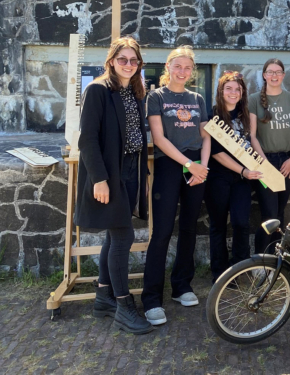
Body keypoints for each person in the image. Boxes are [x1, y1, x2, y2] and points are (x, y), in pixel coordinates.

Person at [75, 37, 153, 334]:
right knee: (123, 237)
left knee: (113, 234)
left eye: (134, 60)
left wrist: (143, 176)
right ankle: (123, 306)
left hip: (131, 170)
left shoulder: (135, 91)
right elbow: (87, 139)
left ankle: (103, 297)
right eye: (123, 59)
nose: (129, 65)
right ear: (111, 61)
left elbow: (135, 136)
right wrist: (100, 179)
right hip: (110, 173)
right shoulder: (98, 90)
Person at [142, 46, 211, 326]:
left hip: (197, 166)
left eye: (187, 67)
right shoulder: (156, 97)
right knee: (161, 232)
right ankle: (152, 299)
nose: (182, 71)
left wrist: (202, 167)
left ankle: (182, 286)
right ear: (168, 67)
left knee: (189, 228)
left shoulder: (197, 98)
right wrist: (189, 164)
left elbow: (206, 136)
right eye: (178, 66)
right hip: (170, 164)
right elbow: (159, 138)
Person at [205, 71, 263, 282]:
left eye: (237, 89)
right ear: (220, 91)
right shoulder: (212, 115)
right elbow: (216, 152)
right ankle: (220, 275)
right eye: (228, 88)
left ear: (242, 92)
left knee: (241, 223)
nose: (233, 92)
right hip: (219, 177)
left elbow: (252, 142)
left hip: (242, 180)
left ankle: (240, 269)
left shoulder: (245, 115)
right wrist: (243, 170)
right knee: (218, 225)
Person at [248, 59, 290, 253]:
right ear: (264, 75)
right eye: (270, 72)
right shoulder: (254, 99)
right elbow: (252, 135)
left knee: (279, 212)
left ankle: (277, 259)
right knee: (269, 214)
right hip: (265, 161)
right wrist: (264, 163)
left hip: (287, 161)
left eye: (278, 72)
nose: (274, 75)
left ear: (283, 75)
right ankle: (261, 258)